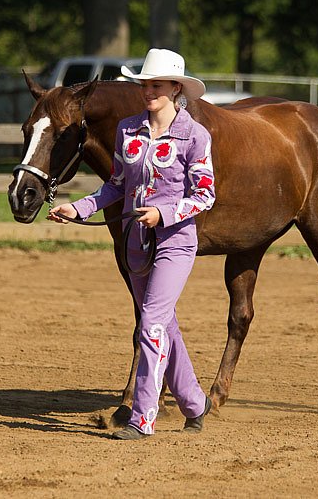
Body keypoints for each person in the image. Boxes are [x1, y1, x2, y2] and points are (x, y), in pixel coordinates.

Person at [48, 48, 216, 440]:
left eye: (156, 85)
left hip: (175, 241)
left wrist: (165, 214)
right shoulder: (128, 129)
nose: (147, 91)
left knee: (152, 322)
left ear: (176, 89)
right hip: (137, 243)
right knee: (164, 324)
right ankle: (194, 403)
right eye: (144, 84)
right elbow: (116, 186)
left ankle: (143, 418)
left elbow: (205, 194)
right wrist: (79, 208)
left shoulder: (195, 135)